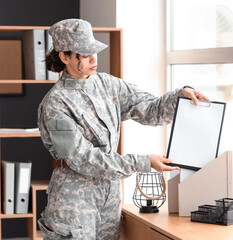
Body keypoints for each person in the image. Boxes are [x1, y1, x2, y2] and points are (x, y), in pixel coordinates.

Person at [37, 18, 209, 240]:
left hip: (110, 196)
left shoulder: (108, 85)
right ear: (64, 56)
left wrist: (180, 97)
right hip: (73, 201)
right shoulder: (55, 104)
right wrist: (142, 162)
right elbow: (82, 158)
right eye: (84, 53)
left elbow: (149, 110)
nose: (93, 59)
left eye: (94, 51)